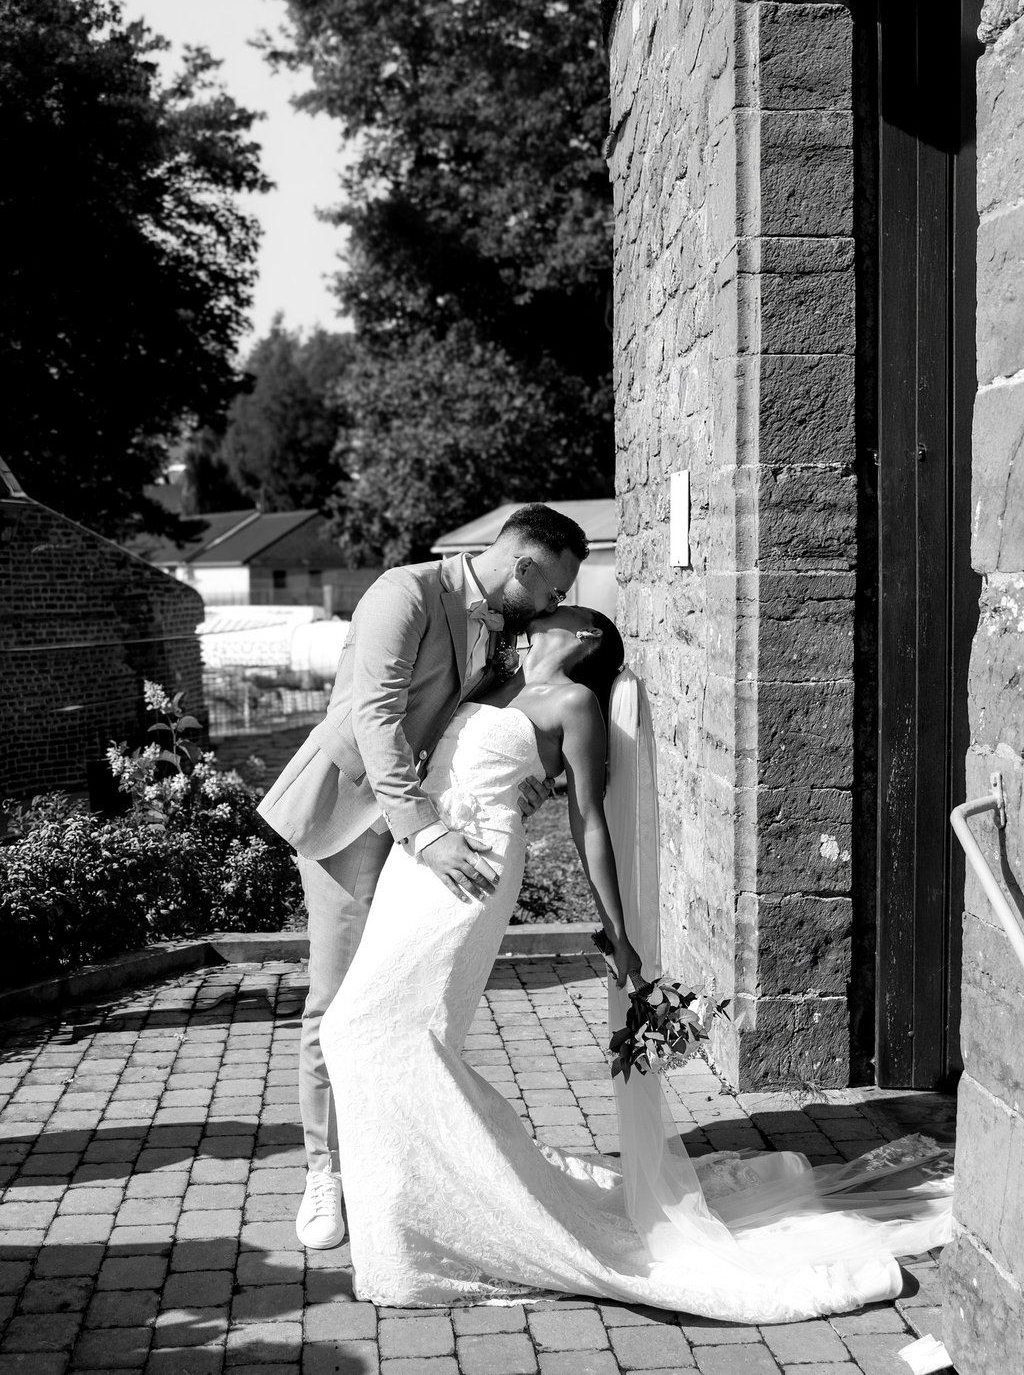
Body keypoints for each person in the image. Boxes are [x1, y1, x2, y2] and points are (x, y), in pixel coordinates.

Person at [318, 606, 954, 1320]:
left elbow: (588, 818)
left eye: (546, 616)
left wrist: (617, 931)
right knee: (373, 1035)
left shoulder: (575, 703)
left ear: (583, 636)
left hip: (474, 867)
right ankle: (426, 1212)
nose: (527, 625)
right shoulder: (492, 678)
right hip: (425, 854)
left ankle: (452, 1214)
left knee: (367, 1031)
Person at [257, 504, 590, 1248]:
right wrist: (427, 832)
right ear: (524, 566)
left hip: (432, 817)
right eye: (554, 589)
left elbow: (480, 719)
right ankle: (324, 1172)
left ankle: (397, 1155)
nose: (555, 606)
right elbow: (376, 718)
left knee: (404, 994)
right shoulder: (400, 594)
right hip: (352, 815)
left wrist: (522, 777)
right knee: (336, 998)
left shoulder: (504, 623)